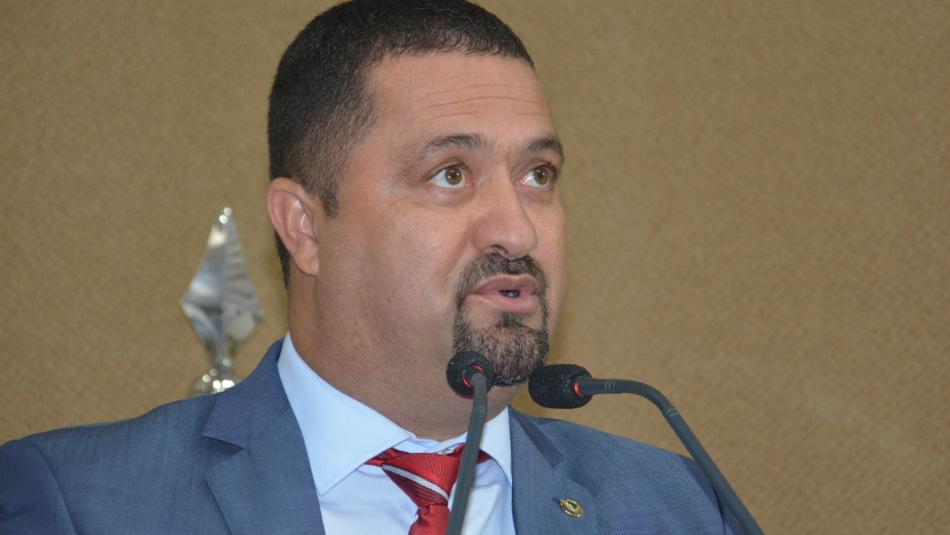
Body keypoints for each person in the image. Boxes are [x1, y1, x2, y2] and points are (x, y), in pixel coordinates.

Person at [0, 1, 744, 533]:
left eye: (538, 175)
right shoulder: (84, 502)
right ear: (304, 226)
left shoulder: (675, 505)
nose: (517, 229)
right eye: (451, 174)